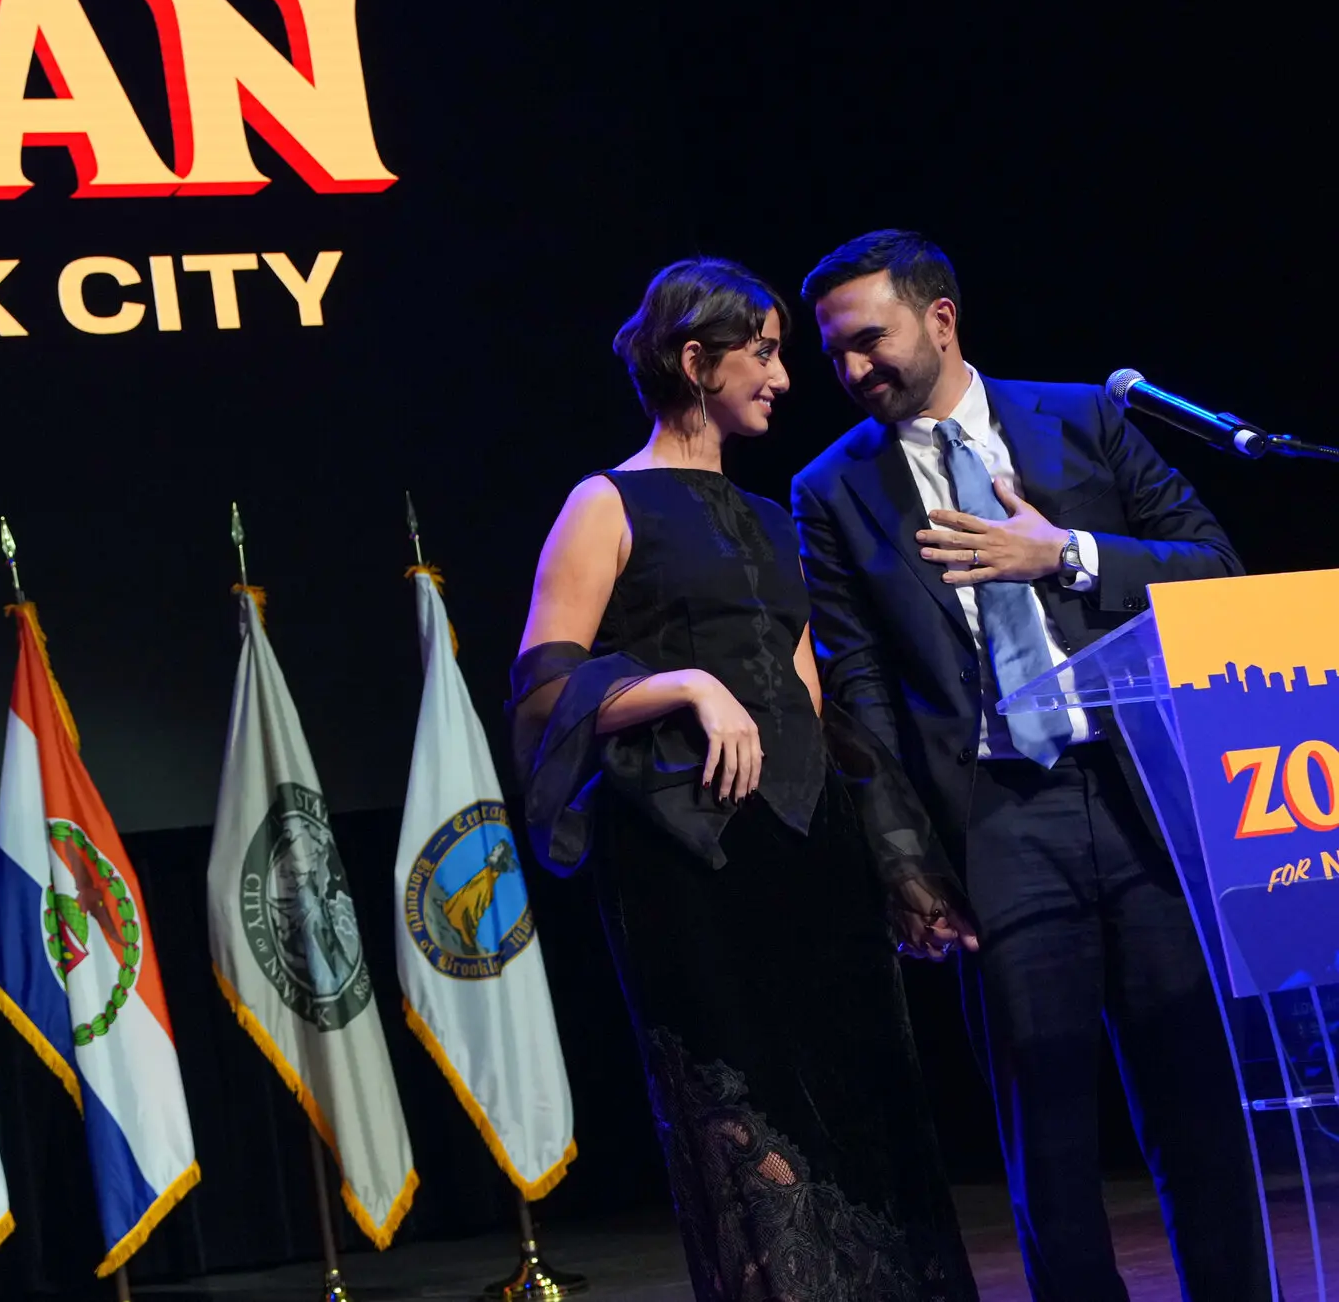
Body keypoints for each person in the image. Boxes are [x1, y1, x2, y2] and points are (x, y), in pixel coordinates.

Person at [790, 229, 1267, 1301]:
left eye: (867, 340)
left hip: (1140, 795)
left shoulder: (1085, 419)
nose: (852, 369)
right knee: (1041, 1125)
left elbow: (1218, 570)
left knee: (1195, 1100)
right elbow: (857, 692)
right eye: (833, 356)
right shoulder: (832, 488)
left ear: (940, 318)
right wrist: (903, 859)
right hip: (999, 814)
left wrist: (1065, 554)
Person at [511, 256, 978, 1301]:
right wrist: (681, 684)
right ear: (695, 359)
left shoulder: (772, 519)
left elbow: (818, 711)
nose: (780, 374)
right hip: (695, 859)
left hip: (809, 857)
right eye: (762, 352)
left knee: (856, 1116)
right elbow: (543, 689)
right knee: (751, 1140)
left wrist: (903, 866)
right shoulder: (604, 502)